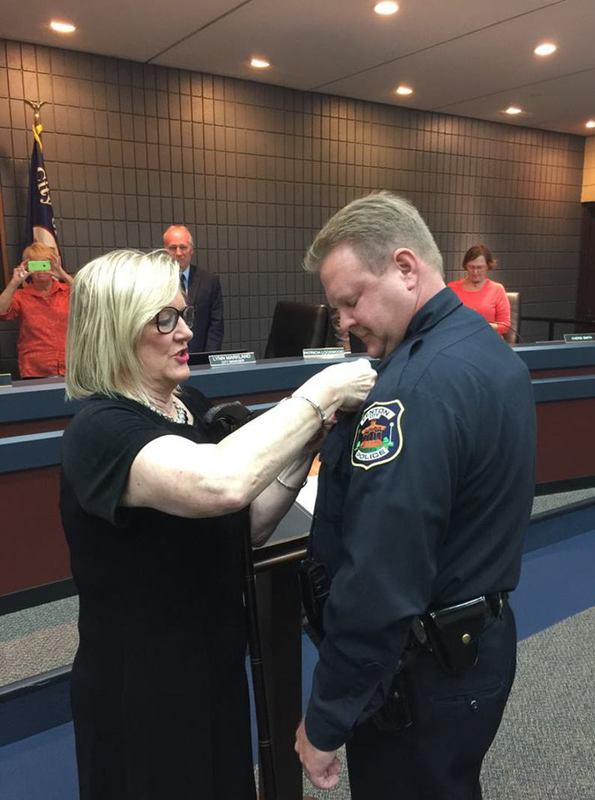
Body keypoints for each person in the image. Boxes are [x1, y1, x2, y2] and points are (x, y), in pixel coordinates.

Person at [60, 248, 376, 800]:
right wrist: (318, 392)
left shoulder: (189, 402)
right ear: (116, 329)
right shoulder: (99, 430)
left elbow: (245, 520)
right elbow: (221, 483)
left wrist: (306, 444)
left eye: (181, 314)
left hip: (212, 662)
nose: (185, 331)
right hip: (144, 686)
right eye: (165, 318)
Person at [294, 192, 536, 799]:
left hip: (422, 670)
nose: (343, 322)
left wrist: (326, 718)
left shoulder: (413, 389)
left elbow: (380, 577)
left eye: (350, 301)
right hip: (478, 645)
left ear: (406, 268)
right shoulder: (488, 352)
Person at [0, 242, 72, 378]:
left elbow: (90, 300)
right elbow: (1, 312)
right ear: (27, 267)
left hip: (72, 367)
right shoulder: (20, 296)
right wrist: (14, 283)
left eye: (45, 264)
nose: (41, 271)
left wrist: (63, 274)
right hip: (35, 370)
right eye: (35, 265)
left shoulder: (67, 291)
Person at [162, 224, 224, 351]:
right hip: (168, 356)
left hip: (200, 357)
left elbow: (216, 325)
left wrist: (209, 359)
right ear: (165, 251)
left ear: (191, 250)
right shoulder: (155, 281)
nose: (178, 253)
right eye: (173, 248)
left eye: (183, 247)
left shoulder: (209, 281)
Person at [447, 244, 511, 337]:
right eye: (471, 267)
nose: (475, 272)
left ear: (488, 266)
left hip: (487, 341)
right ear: (465, 266)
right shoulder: (452, 288)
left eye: (480, 268)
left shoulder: (497, 289)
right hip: (459, 340)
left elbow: (505, 326)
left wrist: (483, 326)